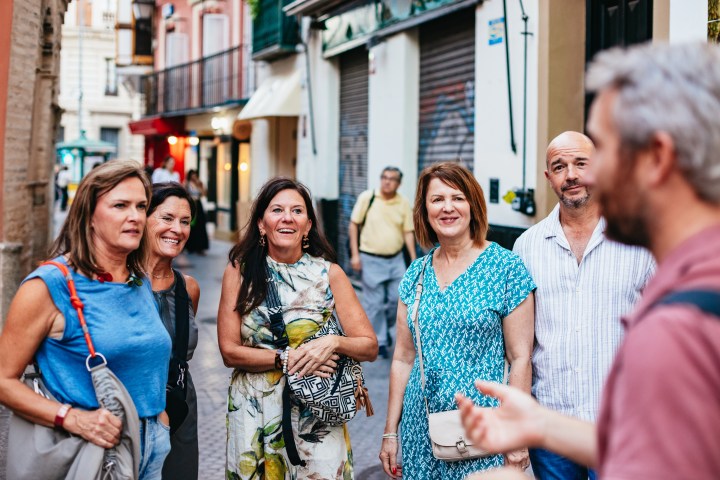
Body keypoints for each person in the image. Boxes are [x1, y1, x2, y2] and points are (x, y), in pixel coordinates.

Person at [457, 42, 720, 479]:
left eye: (604, 152)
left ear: (656, 159)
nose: (583, 176)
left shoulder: (685, 320)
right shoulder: (693, 273)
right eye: (562, 166)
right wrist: (542, 425)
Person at [0, 160, 172, 480]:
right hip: (90, 447)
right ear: (89, 214)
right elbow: (3, 380)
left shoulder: (138, 280)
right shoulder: (50, 286)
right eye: (120, 205)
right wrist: (73, 418)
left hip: (151, 447)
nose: (134, 216)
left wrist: (159, 422)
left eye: (141, 206)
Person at [379, 162, 535, 479]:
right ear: (424, 211)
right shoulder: (416, 274)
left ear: (472, 206)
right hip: (420, 429)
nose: (447, 208)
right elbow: (402, 359)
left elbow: (520, 358)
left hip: (484, 432)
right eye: (437, 200)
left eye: (457, 198)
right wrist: (390, 432)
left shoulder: (506, 267)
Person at [512, 131, 654, 480]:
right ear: (549, 178)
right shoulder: (526, 248)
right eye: (559, 167)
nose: (570, 174)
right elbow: (519, 345)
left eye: (581, 164)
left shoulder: (642, 240)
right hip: (552, 428)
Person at [218, 177, 378, 478]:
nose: (287, 218)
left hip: (317, 413)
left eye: (297, 211)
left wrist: (333, 343)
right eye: (277, 210)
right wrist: (285, 358)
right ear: (261, 224)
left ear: (308, 225)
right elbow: (229, 351)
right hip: (256, 410)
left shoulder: (330, 274)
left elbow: (369, 345)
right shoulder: (240, 271)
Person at [145, 182, 201, 480]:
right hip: (133, 408)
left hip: (179, 407)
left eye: (184, 221)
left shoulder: (188, 288)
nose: (177, 229)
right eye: (166, 218)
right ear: (143, 219)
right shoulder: (118, 285)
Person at [349, 166, 416, 358]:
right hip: (370, 258)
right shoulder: (367, 198)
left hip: (395, 260)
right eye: (384, 177)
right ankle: (380, 341)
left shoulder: (403, 203)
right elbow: (354, 225)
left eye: (392, 179)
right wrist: (355, 255)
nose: (387, 181)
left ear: (398, 183)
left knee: (399, 299)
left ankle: (384, 330)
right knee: (375, 304)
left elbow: (408, 231)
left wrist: (412, 259)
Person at [184, 169, 209, 255]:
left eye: (195, 174)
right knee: (191, 225)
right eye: (192, 175)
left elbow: (204, 194)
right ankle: (189, 246)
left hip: (198, 204)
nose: (194, 176)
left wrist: (199, 185)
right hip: (191, 203)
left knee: (200, 225)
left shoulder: (199, 183)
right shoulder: (186, 183)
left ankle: (200, 247)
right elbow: (184, 193)